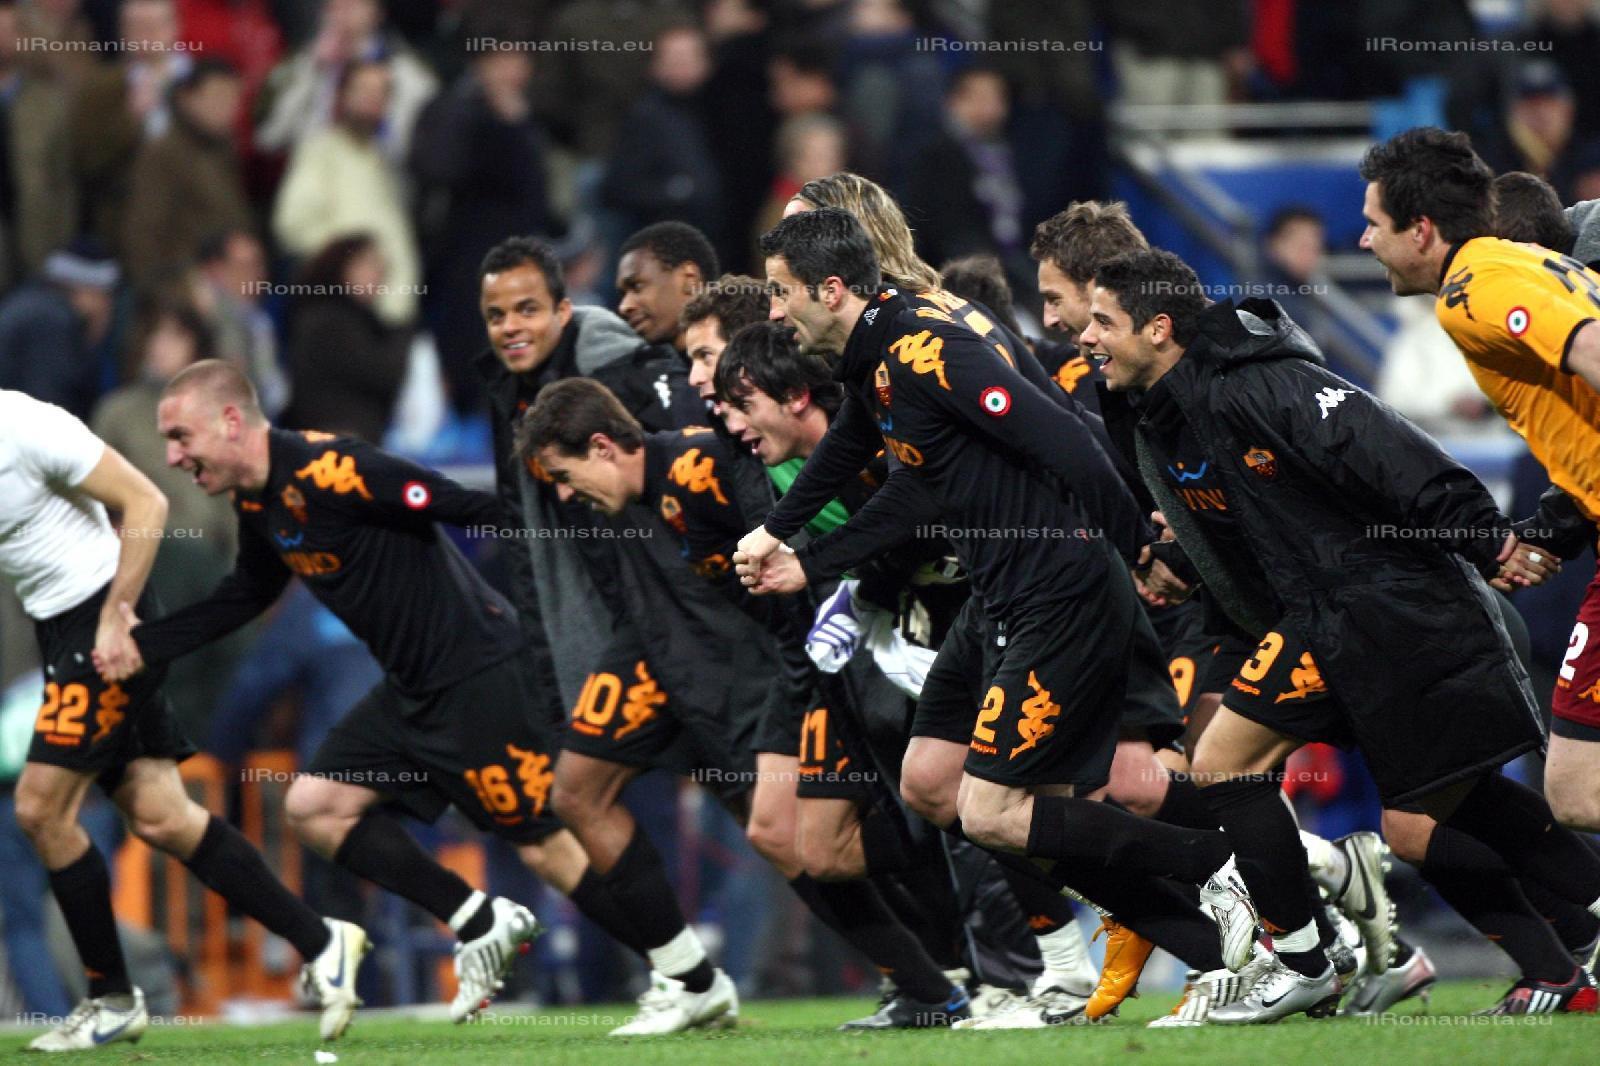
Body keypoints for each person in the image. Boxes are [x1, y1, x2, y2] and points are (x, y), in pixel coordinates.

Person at [735, 207, 1263, 1010]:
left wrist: (1140, 546)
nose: (772, 312)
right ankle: (1218, 947)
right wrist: (784, 538)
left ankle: (1222, 870)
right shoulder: (875, 355)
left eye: (780, 293)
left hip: (1056, 586)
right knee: (933, 781)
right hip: (997, 596)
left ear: (831, 289)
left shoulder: (926, 346)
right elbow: (875, 459)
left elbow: (1062, 434)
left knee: (1001, 808)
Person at [1081, 245, 1600, 1018]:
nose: (1082, 335)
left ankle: (1303, 963)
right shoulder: (1154, 413)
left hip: (1379, 611)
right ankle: (1561, 979)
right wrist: (1175, 559)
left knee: (1223, 762)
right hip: (1331, 616)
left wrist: (1484, 537)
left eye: (1099, 320)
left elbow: (1390, 451)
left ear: (1158, 329)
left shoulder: (1259, 382)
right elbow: (1242, 525)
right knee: (1447, 810)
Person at [104, 361, 612, 1024]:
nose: (172, 457)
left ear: (230, 421)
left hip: (477, 674)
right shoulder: (257, 504)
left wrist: (584, 529)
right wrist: (149, 643)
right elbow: (246, 596)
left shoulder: (334, 470)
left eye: (179, 436)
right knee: (315, 805)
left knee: (545, 845)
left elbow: (459, 503)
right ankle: (480, 919)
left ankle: (674, 963)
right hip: (412, 695)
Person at [1, 389, 366, 1050]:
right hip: (59, 627)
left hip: (105, 615)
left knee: (39, 809)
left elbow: (149, 502)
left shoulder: (25, 424)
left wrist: (117, 615)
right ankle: (322, 940)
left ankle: (112, 996)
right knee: (164, 816)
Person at [1358, 127, 1600, 837]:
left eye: (1375, 225)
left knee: (1578, 787)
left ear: (1422, 230)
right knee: (1577, 783)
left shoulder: (1473, 289)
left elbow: (1591, 346)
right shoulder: (1522, 263)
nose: (1366, 242)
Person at [273, 58, 422, 328]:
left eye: (381, 93)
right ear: (341, 96)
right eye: (363, 90)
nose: (372, 100)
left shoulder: (383, 162)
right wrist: (350, 269)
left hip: (390, 318)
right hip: (342, 314)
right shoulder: (320, 152)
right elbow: (293, 225)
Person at [119, 59, 251, 294]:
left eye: (233, 98)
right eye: (217, 96)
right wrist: (162, 291)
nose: (227, 107)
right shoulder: (163, 152)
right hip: (182, 288)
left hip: (223, 285)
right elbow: (145, 232)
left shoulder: (223, 150)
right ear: (187, 97)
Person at [278, 234, 410, 443]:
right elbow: (382, 372)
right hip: (335, 443)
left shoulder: (363, 321)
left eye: (381, 266)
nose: (377, 274)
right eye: (368, 264)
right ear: (341, 266)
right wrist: (402, 329)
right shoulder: (329, 321)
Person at [616, 221, 720, 351]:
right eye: (623, 294)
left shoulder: (745, 364)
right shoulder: (635, 367)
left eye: (637, 287)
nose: (624, 307)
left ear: (689, 279)